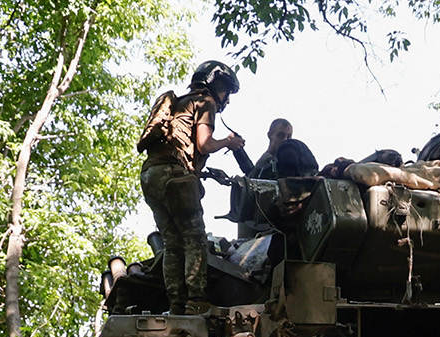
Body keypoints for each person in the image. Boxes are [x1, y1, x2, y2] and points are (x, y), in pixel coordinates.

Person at [137, 60, 245, 313]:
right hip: (176, 176)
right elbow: (205, 144)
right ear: (215, 84)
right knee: (194, 238)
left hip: (151, 175)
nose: (226, 100)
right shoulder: (204, 102)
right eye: (226, 92)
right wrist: (228, 142)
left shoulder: (180, 103)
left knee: (172, 243)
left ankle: (176, 303)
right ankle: (196, 300)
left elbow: (182, 147)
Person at [251, 119, 319, 179]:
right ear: (270, 135)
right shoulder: (265, 164)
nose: (285, 140)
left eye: (288, 137)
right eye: (281, 136)